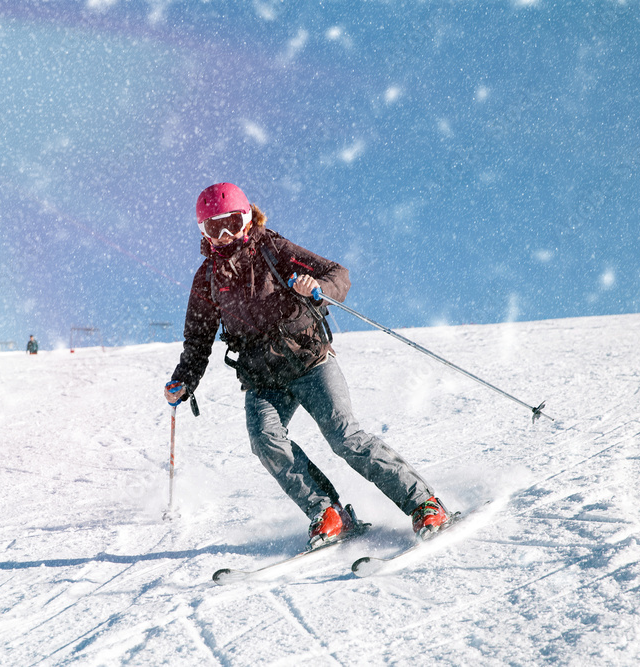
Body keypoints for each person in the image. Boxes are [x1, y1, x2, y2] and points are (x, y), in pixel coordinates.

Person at [164, 182, 450, 548]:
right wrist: (184, 380)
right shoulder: (207, 279)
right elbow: (198, 339)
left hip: (309, 359)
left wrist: (317, 287)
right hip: (262, 377)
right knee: (265, 440)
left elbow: (338, 275)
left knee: (344, 437)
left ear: (248, 219)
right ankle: (327, 512)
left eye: (232, 223)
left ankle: (424, 502)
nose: (225, 235)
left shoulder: (272, 250)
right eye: (213, 228)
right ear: (203, 232)